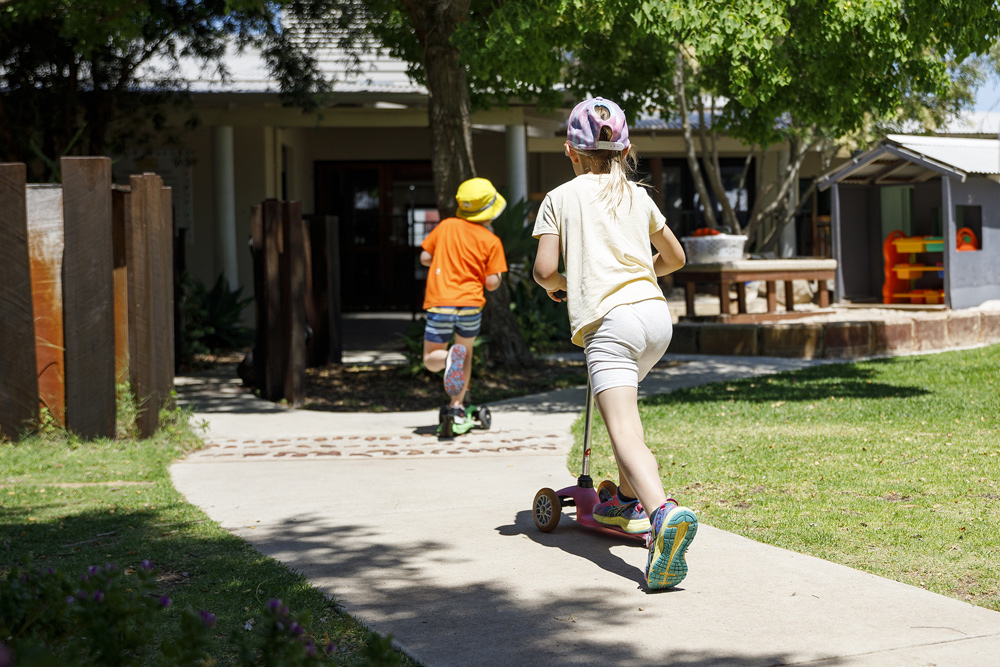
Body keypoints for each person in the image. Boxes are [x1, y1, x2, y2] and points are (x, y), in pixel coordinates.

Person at [532, 96, 698, 590]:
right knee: (628, 424)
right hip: (654, 318)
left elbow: (543, 269)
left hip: (610, 324)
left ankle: (662, 513)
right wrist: (643, 272)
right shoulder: (637, 195)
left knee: (624, 433)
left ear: (570, 151)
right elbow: (675, 257)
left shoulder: (560, 197)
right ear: (625, 150)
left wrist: (558, 285)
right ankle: (625, 502)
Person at [420, 177, 508, 437]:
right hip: (470, 305)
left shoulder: (446, 227)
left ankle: (447, 359)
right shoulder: (491, 241)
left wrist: (444, 260)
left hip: (441, 303)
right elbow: (492, 283)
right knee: (465, 354)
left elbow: (425, 256)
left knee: (430, 359)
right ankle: (457, 405)